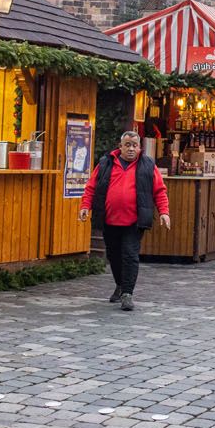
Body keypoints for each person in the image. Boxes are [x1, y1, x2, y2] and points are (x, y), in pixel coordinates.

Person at [78, 131, 171, 310]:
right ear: (120, 146)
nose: (131, 149)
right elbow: (91, 187)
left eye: (134, 145)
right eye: (127, 145)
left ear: (139, 148)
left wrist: (164, 212)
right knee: (114, 255)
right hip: (109, 219)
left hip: (134, 221)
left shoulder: (148, 165)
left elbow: (159, 191)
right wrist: (85, 206)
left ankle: (127, 293)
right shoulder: (106, 163)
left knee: (130, 255)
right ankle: (120, 285)